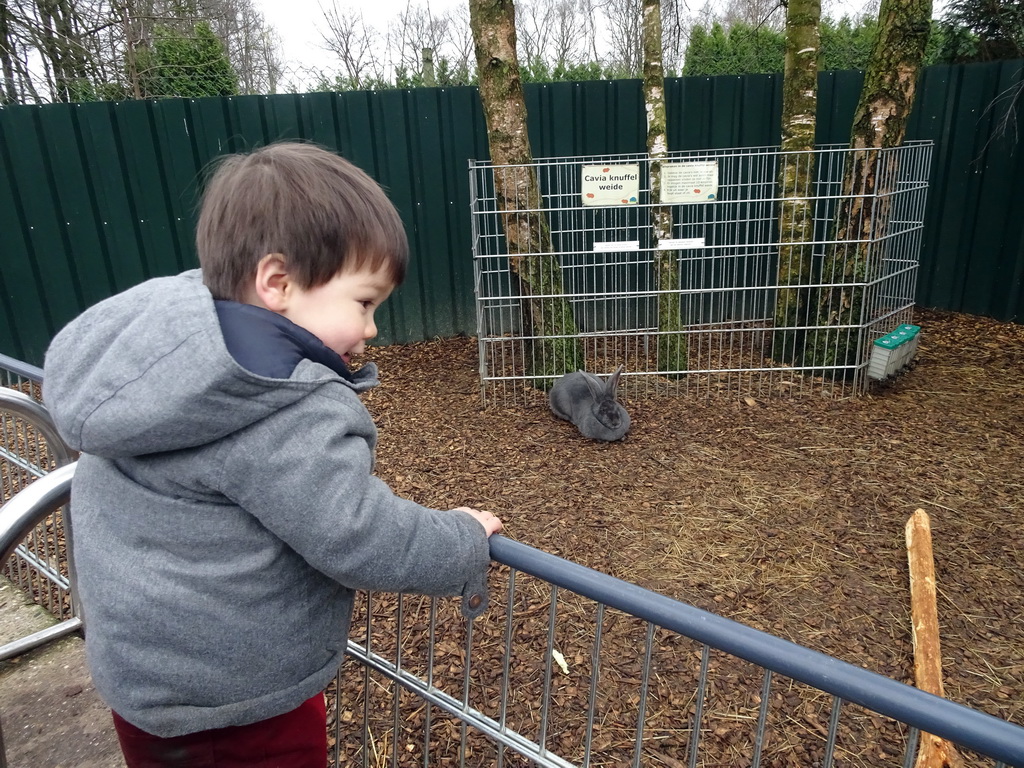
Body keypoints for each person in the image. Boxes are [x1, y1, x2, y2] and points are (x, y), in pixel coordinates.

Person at [42, 141, 503, 767]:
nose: (371, 328)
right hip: (236, 702)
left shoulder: (154, 370)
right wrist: (460, 540)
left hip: (146, 680)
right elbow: (356, 532)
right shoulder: (276, 405)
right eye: (364, 303)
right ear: (278, 283)